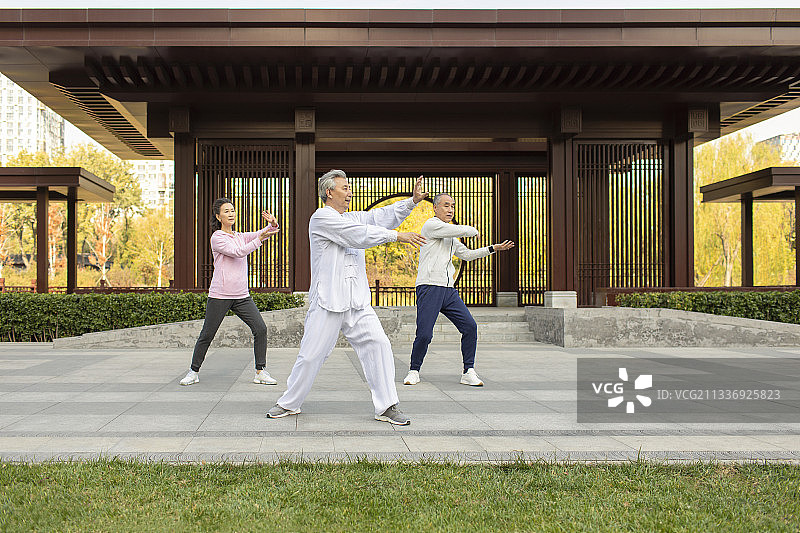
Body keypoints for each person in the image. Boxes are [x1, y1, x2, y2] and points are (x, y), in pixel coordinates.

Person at [266, 170, 427, 425]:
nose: (350, 191)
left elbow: (379, 217)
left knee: (379, 345)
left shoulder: (352, 217)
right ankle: (289, 403)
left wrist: (412, 202)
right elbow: (356, 235)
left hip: (357, 302)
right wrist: (398, 236)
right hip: (328, 301)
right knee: (310, 356)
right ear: (329, 192)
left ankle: (387, 407)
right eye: (344, 187)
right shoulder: (321, 218)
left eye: (349, 186)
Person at [404, 193, 515, 387]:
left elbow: (467, 255)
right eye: (446, 206)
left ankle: (468, 371)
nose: (450, 210)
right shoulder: (432, 226)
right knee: (424, 334)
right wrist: (472, 230)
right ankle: (414, 370)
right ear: (435, 208)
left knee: (470, 327)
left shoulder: (450, 236)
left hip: (448, 290)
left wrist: (492, 249)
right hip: (430, 287)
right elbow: (464, 230)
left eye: (453, 206)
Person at [179, 197, 280, 386]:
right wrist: (259, 239)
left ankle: (260, 371)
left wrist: (272, 225)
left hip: (242, 296)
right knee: (207, 334)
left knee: (260, 329)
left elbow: (262, 233)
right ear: (218, 216)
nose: (231, 213)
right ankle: (193, 372)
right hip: (220, 295)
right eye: (226, 211)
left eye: (232, 210)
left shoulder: (239, 235)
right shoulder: (217, 238)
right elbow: (238, 252)